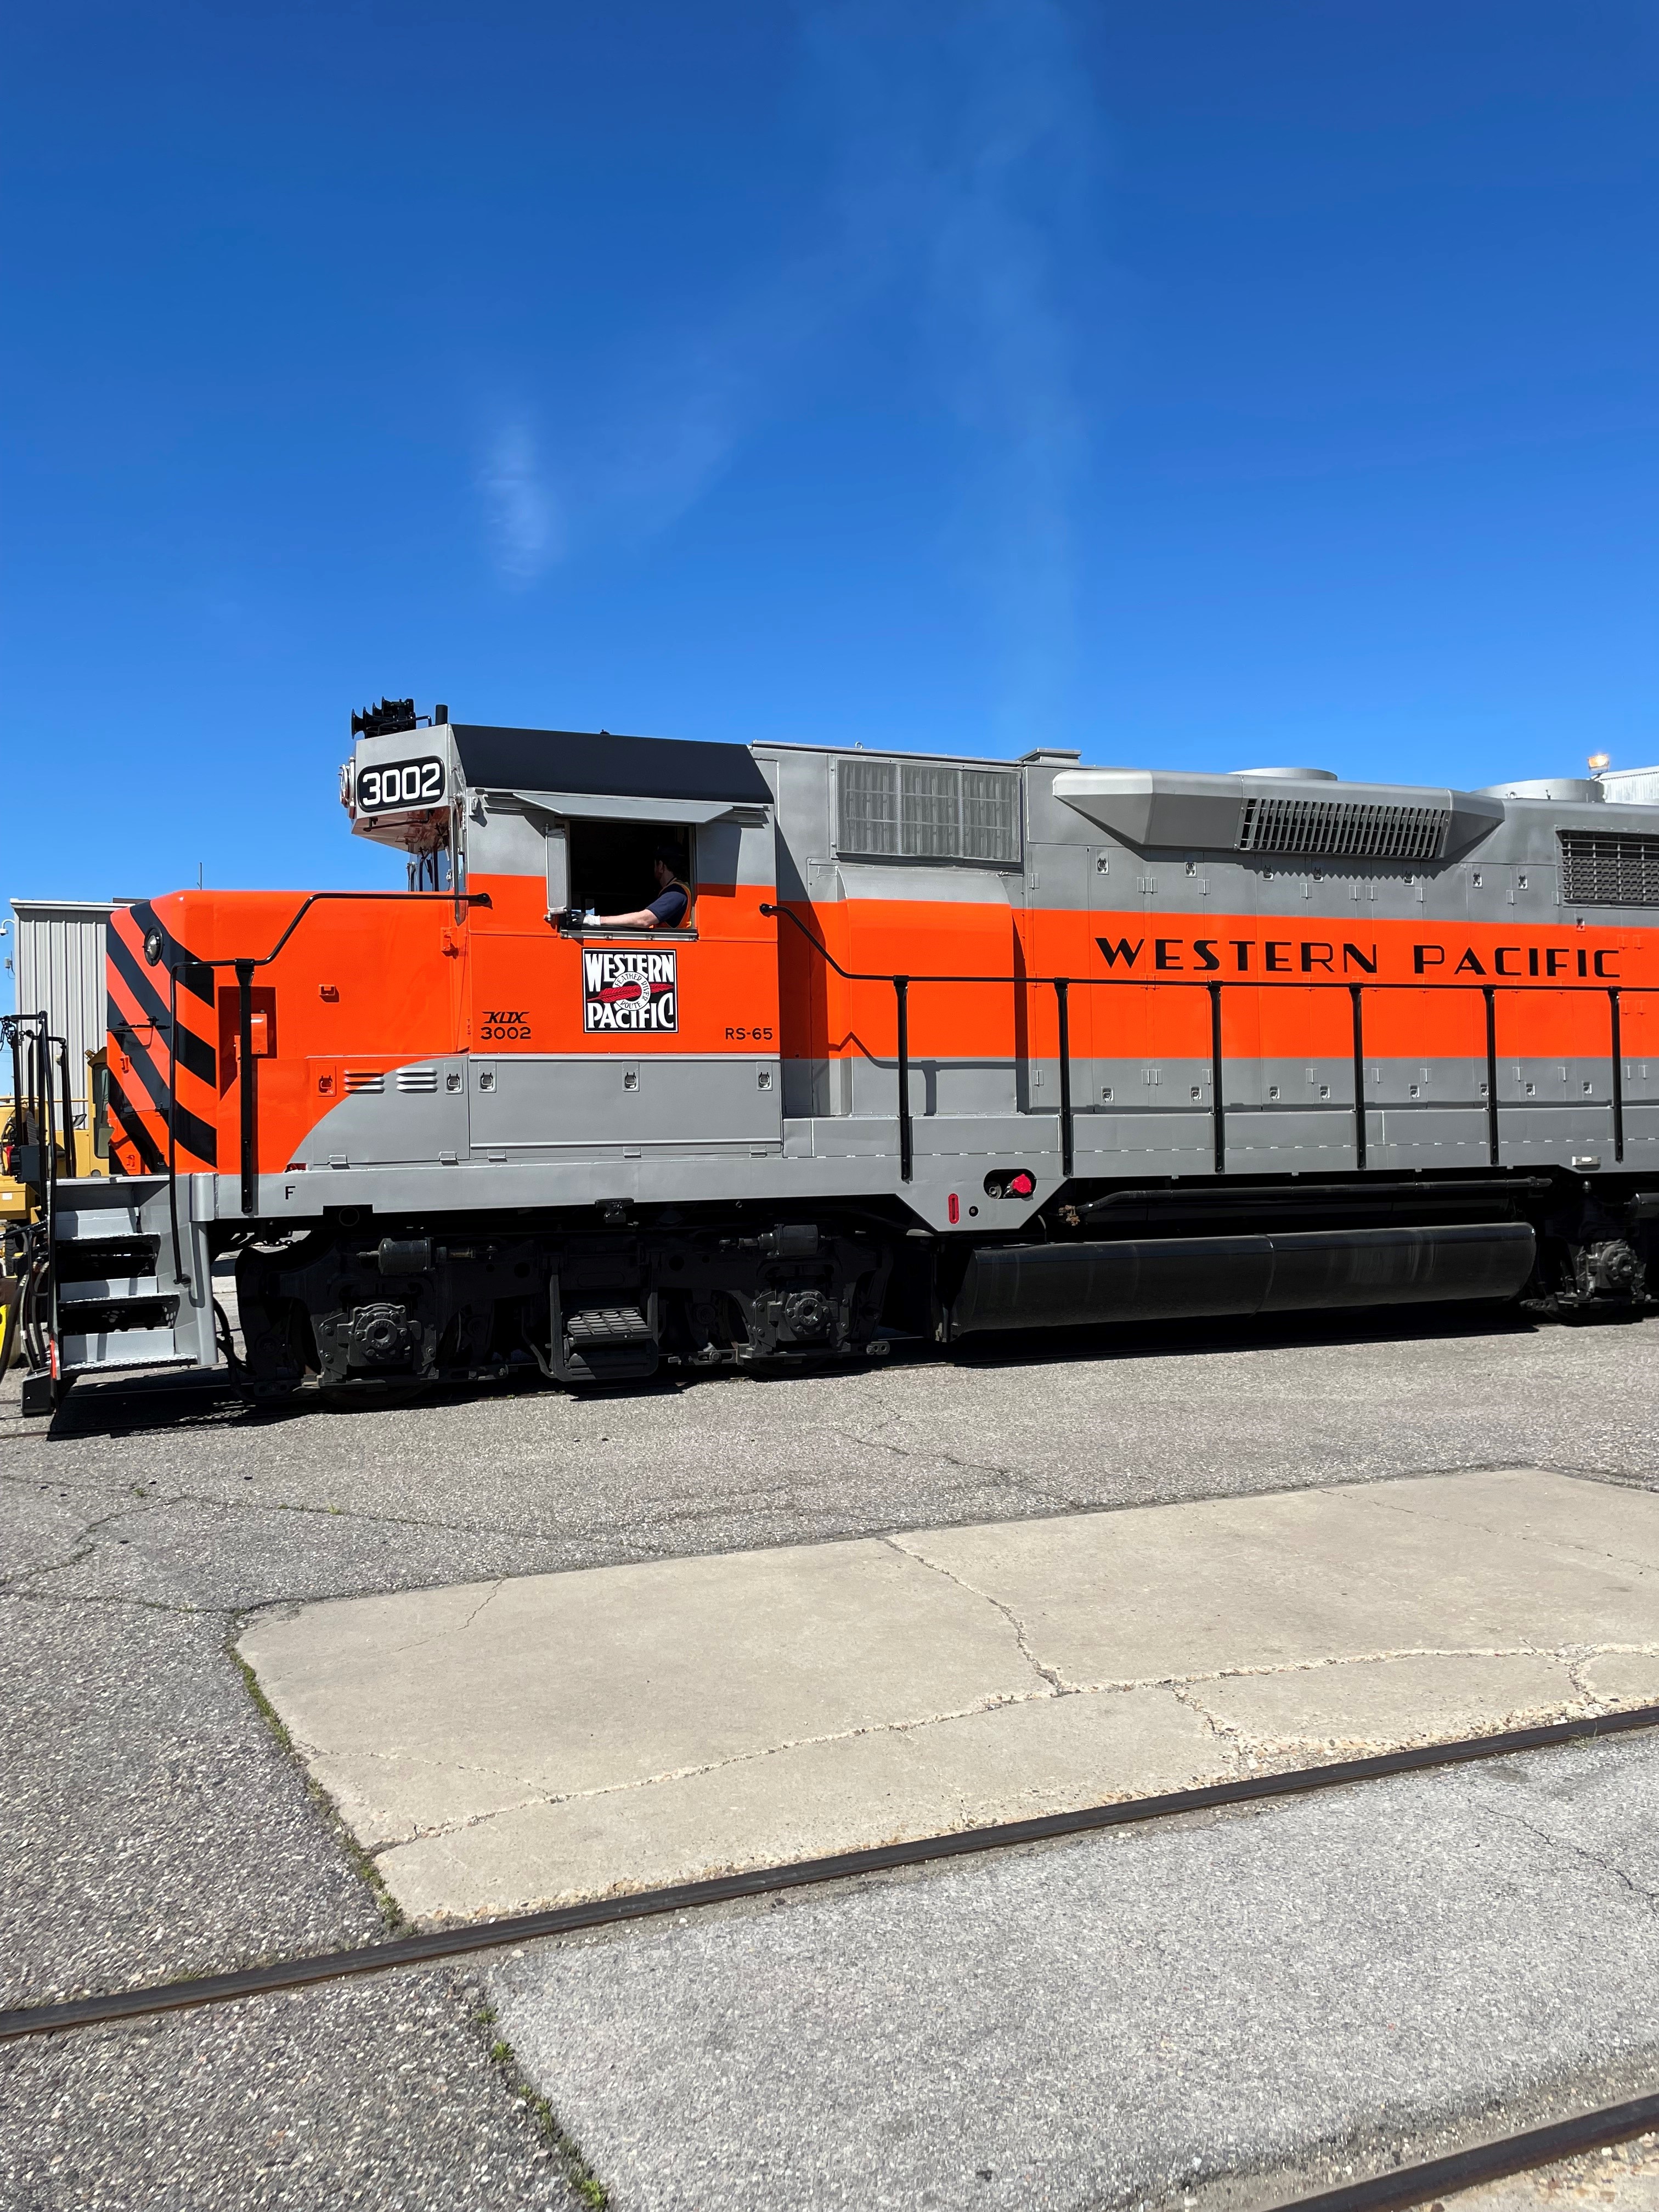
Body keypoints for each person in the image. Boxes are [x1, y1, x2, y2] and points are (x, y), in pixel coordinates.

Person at [585, 848, 692, 930]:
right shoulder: (678, 890)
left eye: (654, 865)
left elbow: (645, 920)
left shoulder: (676, 892)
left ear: (660, 866)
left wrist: (596, 920)